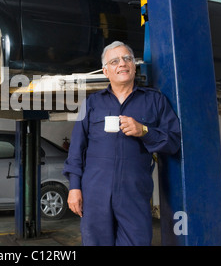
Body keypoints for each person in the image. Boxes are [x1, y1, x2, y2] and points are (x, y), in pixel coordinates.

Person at [63, 41, 181, 246]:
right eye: (115, 61)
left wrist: (143, 130)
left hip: (134, 192)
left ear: (134, 67)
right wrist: (74, 188)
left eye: (127, 59)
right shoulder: (91, 103)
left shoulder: (155, 101)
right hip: (95, 192)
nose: (122, 64)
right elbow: (76, 148)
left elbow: (173, 142)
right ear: (106, 71)